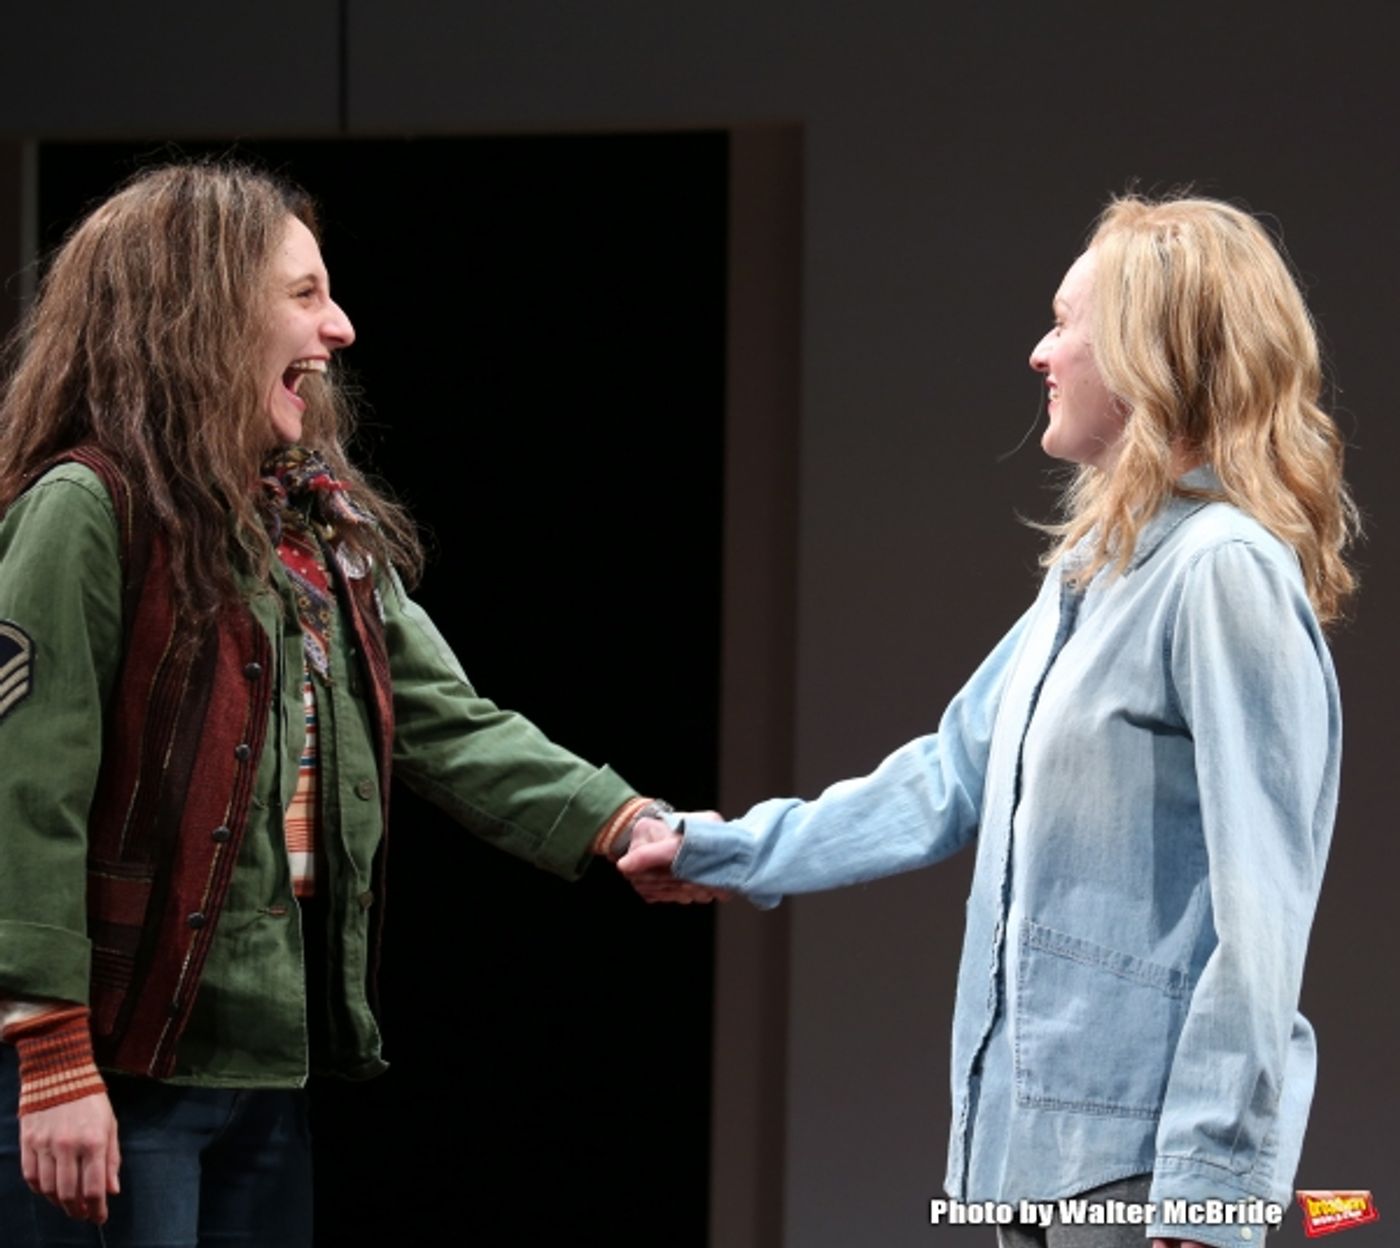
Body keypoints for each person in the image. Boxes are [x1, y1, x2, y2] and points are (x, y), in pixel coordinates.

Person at [621, 194, 1356, 1248]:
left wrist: (1211, 1196)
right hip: (1026, 1150)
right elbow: (942, 778)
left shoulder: (1219, 570)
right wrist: (729, 850)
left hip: (1142, 1172)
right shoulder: (1090, 573)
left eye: (1067, 322)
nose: (1038, 351)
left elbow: (1260, 914)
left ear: (1148, 353)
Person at [0, 161, 701, 1247]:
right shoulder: (87, 510)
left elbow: (448, 720)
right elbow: (24, 791)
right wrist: (48, 1051)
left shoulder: (312, 531)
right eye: (302, 294)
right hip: (105, 1070)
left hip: (259, 1066)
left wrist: (624, 823)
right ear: (199, 311)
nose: (338, 327)